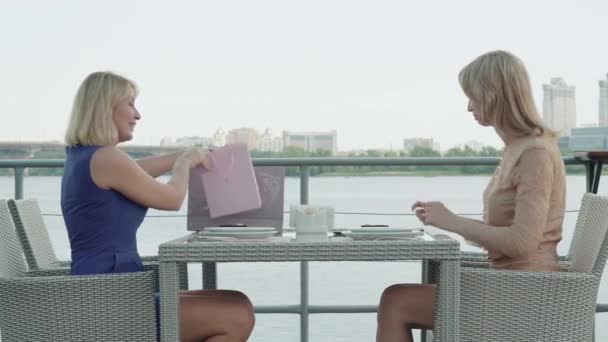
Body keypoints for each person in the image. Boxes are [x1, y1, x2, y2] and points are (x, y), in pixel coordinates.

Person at [376, 50, 566, 342]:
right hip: (508, 283)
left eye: (473, 96)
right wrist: (443, 219)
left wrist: (452, 222)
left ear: (495, 96)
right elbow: (507, 234)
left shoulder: (535, 154)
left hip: (526, 294)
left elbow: (522, 244)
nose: (468, 107)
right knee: (397, 298)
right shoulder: (517, 149)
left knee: (396, 302)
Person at [61, 71, 255, 342]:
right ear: (105, 108)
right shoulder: (106, 159)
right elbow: (172, 198)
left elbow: (138, 171)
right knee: (237, 315)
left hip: (109, 289)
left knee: (238, 302)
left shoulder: (90, 158)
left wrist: (187, 154)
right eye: (130, 103)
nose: (137, 115)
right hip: (108, 301)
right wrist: (184, 165)